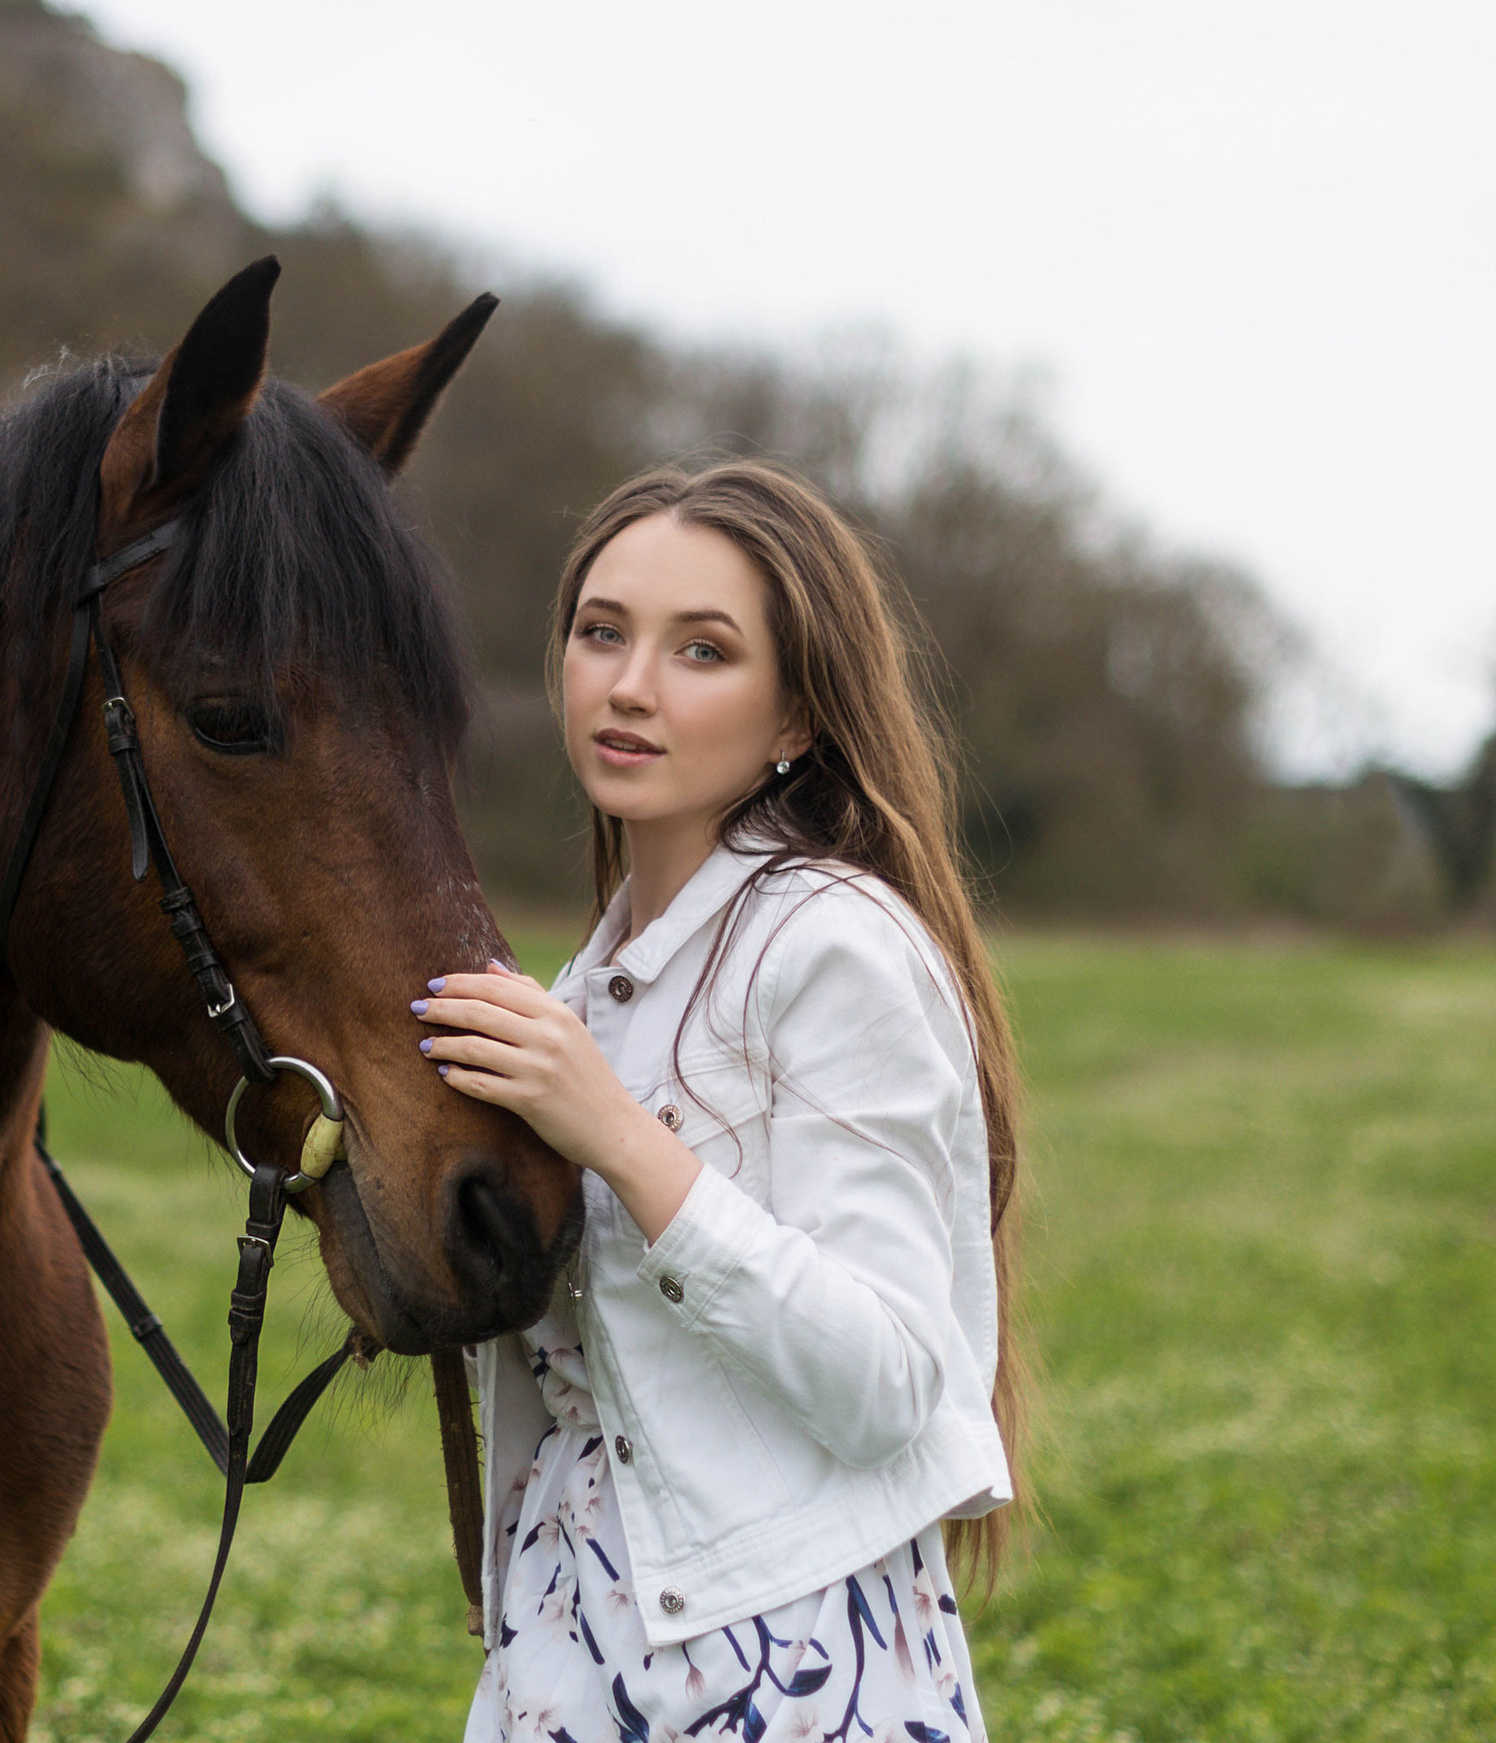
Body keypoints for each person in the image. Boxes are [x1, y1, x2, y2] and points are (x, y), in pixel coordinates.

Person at [417, 460, 1022, 1743]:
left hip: (782, 1650)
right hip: (566, 1635)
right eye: (602, 633)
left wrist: (617, 1138)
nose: (630, 685)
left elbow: (890, 1380)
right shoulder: (588, 988)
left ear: (795, 713)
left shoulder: (832, 944)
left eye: (701, 650)